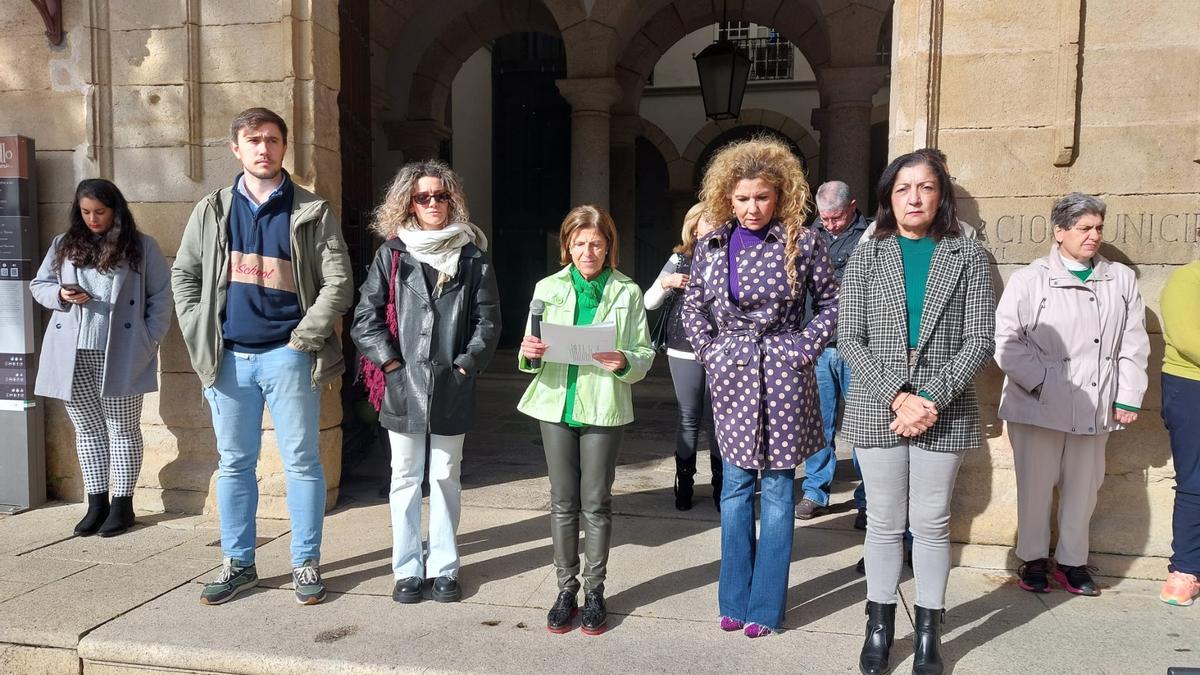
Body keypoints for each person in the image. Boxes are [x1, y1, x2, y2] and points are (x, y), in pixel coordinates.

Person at [172, 107, 353, 606]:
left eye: (272, 139)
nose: (263, 148)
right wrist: (199, 333)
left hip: (289, 356)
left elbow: (339, 283)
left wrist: (304, 338)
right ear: (236, 148)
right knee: (234, 464)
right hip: (228, 358)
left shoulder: (311, 210)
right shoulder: (211, 210)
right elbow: (184, 275)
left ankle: (305, 563)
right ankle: (239, 563)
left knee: (302, 462)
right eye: (253, 140)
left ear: (284, 146)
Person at [839, 151, 995, 675]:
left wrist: (929, 398)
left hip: (943, 410)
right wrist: (897, 397)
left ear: (940, 194)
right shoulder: (867, 254)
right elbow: (849, 338)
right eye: (903, 187)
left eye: (925, 187)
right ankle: (879, 624)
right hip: (876, 407)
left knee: (931, 523)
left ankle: (929, 627)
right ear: (888, 196)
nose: (914, 197)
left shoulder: (968, 254)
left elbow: (979, 338)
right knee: (883, 523)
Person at [681, 137, 839, 638]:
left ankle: (766, 606)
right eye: (743, 198)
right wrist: (711, 353)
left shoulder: (804, 240)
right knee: (734, 488)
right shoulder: (711, 245)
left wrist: (803, 349)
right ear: (727, 197)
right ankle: (732, 598)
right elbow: (693, 309)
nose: (752, 208)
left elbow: (833, 305)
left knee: (775, 490)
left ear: (781, 195)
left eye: (762, 197)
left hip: (784, 374)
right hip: (733, 375)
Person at [350, 160, 500, 604]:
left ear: (452, 200)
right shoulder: (392, 254)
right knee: (404, 477)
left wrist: (464, 367)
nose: (433, 203)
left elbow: (488, 322)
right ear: (409, 204)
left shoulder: (473, 255)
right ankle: (407, 569)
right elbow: (365, 318)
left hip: (452, 382)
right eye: (423, 197)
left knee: (446, 475)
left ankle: (445, 567)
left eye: (440, 196)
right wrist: (391, 365)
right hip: (402, 383)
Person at [995, 192, 1149, 598]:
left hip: (1096, 402)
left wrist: (1128, 395)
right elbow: (1007, 342)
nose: (1094, 235)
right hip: (1037, 405)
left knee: (1085, 486)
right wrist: (1044, 383)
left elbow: (1133, 342)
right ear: (1059, 231)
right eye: (1084, 228)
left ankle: (1072, 561)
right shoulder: (1030, 280)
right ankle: (1031, 559)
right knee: (1035, 484)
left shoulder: (1121, 279)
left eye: (1098, 227)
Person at [518, 205, 654, 636]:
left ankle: (595, 592)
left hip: (602, 405)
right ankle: (565, 590)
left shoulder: (627, 292)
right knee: (562, 502)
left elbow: (644, 353)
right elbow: (530, 349)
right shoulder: (546, 287)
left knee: (596, 502)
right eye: (579, 243)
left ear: (608, 245)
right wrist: (530, 353)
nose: (588, 251)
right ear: (567, 246)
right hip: (556, 403)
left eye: (596, 243)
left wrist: (624, 360)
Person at [30, 179, 172, 538]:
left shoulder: (142, 247)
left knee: (122, 429)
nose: (93, 218)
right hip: (70, 354)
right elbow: (39, 285)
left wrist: (148, 340)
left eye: (100, 212)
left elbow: (161, 298)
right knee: (87, 429)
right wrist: (61, 293)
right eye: (86, 212)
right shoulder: (64, 245)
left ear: (115, 209)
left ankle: (123, 505)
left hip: (122, 353)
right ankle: (97, 504)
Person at [795, 180, 871, 524]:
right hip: (820, 346)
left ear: (852, 206)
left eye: (837, 218)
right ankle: (815, 492)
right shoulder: (808, 237)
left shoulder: (872, 236)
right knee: (818, 425)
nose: (830, 225)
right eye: (824, 218)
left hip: (859, 346)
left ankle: (867, 499)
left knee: (863, 427)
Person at [644, 203, 722, 511]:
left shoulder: (732, 255)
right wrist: (667, 283)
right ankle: (685, 483)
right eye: (706, 222)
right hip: (682, 345)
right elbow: (649, 301)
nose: (711, 227)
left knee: (717, 419)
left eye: (717, 222)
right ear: (693, 227)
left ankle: (721, 484)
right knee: (689, 416)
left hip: (719, 347)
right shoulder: (679, 258)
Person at [1159, 259, 1200, 607]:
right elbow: (1190, 340)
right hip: (1191, 387)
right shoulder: (1187, 280)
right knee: (1195, 480)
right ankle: (1186, 569)